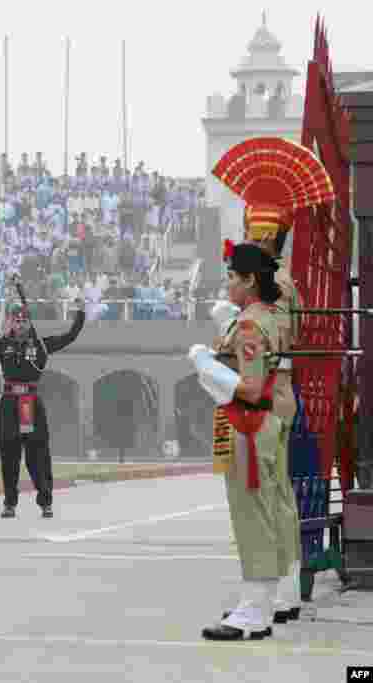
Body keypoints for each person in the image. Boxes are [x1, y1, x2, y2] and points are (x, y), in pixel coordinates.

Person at [211, 136, 337, 625]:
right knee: (278, 497)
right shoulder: (284, 282)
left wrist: (224, 332)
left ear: (264, 237)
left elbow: (264, 339)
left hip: (262, 394)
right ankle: (281, 593)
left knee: (260, 499)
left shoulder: (273, 287)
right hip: (276, 392)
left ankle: (263, 601)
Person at [189, 242, 285, 641]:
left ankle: (253, 612)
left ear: (250, 280)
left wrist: (207, 366)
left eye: (232, 277)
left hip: (247, 423)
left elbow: (250, 386)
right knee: (264, 513)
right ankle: (259, 604)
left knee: (251, 519)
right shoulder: (267, 317)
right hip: (261, 423)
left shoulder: (249, 325)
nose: (228, 284)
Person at [0, 283, 85, 519]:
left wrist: (80, 313)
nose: (20, 324)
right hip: (9, 404)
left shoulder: (41, 346)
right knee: (9, 455)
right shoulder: (2, 345)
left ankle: (45, 501)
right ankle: (9, 503)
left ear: (29, 323)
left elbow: (70, 336)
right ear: (11, 323)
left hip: (31, 403)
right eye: (16, 321)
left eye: (24, 321)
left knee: (38, 455)